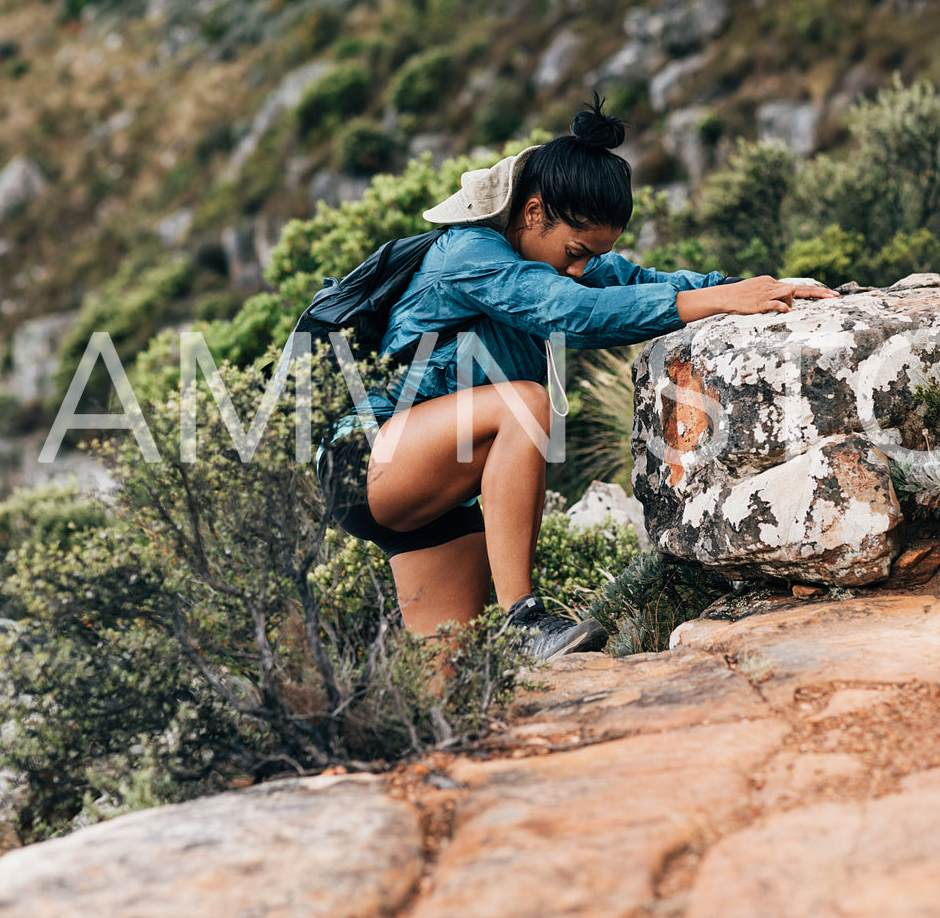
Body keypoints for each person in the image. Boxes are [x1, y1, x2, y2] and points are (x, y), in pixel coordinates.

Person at [315, 97, 835, 659]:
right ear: (534, 212)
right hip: (366, 456)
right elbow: (571, 312)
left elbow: (639, 280)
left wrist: (751, 288)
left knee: (449, 683)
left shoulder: (550, 257)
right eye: (575, 252)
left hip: (438, 491)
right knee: (524, 404)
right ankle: (523, 621)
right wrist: (711, 299)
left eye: (592, 256)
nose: (580, 269)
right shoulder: (468, 253)